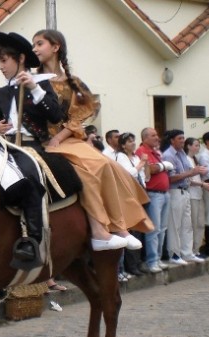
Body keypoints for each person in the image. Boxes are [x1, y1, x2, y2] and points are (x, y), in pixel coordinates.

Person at [32, 29, 151, 251]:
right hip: (43, 141)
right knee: (89, 170)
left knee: (108, 164)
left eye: (39, 44)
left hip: (65, 139)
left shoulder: (73, 82)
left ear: (55, 47)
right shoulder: (33, 81)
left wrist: (60, 136)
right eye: (34, 45)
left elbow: (81, 115)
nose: (35, 49)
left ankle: (119, 225)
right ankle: (99, 230)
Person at [0, 31, 64, 265]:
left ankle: (32, 240)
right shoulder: (2, 92)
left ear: (20, 59)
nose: (0, 66)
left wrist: (34, 89)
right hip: (5, 146)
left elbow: (56, 116)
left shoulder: (41, 84)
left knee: (29, 180)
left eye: (4, 60)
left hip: (31, 147)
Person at [162, 129, 208, 264]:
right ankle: (174, 254)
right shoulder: (168, 155)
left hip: (185, 190)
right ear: (172, 140)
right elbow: (171, 178)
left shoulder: (182, 153)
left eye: (183, 138)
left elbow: (188, 173)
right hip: (175, 192)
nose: (182, 141)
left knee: (187, 224)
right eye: (179, 138)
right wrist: (192, 172)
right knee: (175, 225)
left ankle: (187, 253)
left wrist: (196, 176)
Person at [135, 127, 172, 273]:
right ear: (144, 138)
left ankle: (157, 258)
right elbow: (151, 170)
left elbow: (158, 168)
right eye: (153, 135)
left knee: (162, 229)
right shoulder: (142, 152)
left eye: (157, 134)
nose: (157, 137)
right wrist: (163, 166)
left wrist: (160, 166)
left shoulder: (156, 152)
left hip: (164, 193)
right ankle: (151, 261)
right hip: (154, 194)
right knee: (154, 229)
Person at [115, 132, 147, 277]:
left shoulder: (135, 157)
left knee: (139, 231)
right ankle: (131, 265)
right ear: (123, 145)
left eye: (133, 141)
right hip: (128, 197)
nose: (133, 143)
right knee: (132, 230)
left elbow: (144, 176)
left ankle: (138, 262)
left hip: (138, 195)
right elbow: (129, 173)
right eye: (129, 142)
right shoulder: (121, 157)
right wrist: (141, 163)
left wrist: (143, 164)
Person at [184, 137, 209, 258]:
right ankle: (190, 250)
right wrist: (202, 184)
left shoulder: (195, 159)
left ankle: (196, 249)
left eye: (198, 145)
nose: (198, 147)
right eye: (195, 145)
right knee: (193, 223)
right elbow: (188, 179)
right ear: (188, 146)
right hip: (192, 194)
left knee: (200, 223)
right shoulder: (186, 159)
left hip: (199, 194)